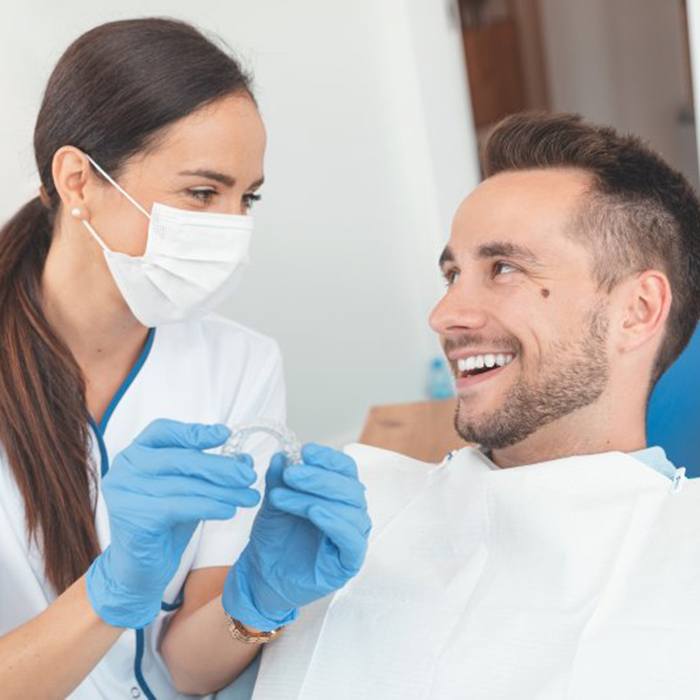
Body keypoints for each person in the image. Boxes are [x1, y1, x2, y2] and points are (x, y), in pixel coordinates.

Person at [252, 113, 700, 699]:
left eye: (504, 269)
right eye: (452, 274)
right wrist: (250, 607)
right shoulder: (357, 509)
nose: (444, 316)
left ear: (637, 310)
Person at [0, 18, 370, 699]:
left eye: (246, 197)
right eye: (202, 193)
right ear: (78, 180)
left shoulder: (239, 364)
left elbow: (184, 671)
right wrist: (109, 592)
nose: (231, 228)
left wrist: (254, 601)